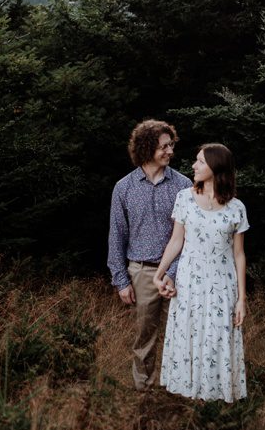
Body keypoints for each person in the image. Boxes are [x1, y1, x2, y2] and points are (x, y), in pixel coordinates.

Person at [153, 143, 249, 403]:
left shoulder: (236, 208)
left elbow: (239, 254)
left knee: (217, 338)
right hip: (190, 282)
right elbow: (176, 241)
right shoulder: (184, 198)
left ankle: (216, 401)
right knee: (190, 335)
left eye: (200, 162)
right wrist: (159, 274)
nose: (193, 166)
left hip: (222, 284)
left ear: (216, 169)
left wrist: (241, 298)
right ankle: (190, 401)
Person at [107, 119, 193, 391]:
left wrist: (172, 272)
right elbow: (116, 235)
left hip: (178, 273)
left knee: (181, 334)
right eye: (164, 146)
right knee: (145, 338)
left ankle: (178, 389)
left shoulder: (183, 185)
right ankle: (144, 392)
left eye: (171, 145)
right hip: (141, 272)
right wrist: (121, 280)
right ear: (147, 148)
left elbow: (189, 236)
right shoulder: (124, 188)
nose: (170, 151)